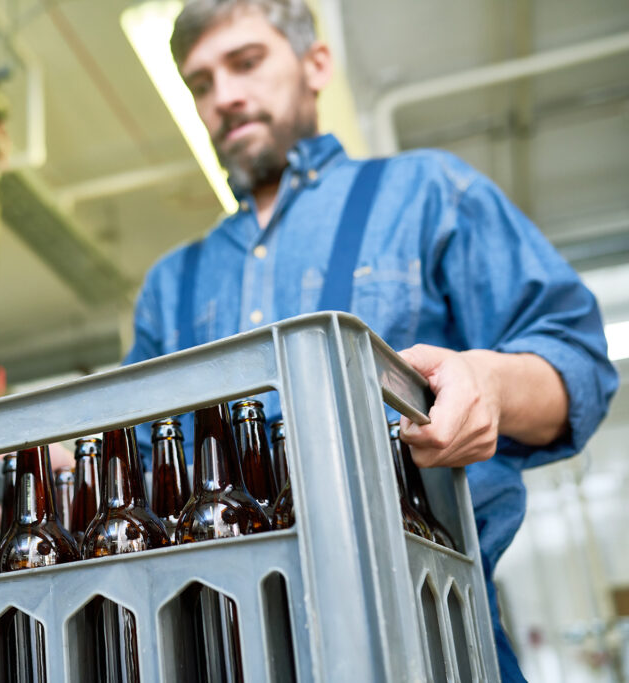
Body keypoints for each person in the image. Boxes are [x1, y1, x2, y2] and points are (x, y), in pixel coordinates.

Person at [123, 0, 619, 679]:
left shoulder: (428, 193)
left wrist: (491, 383)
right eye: (201, 83)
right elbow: (136, 463)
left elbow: (580, 363)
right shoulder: (169, 285)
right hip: (221, 654)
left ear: (316, 63)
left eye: (246, 62)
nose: (225, 96)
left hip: (434, 643)